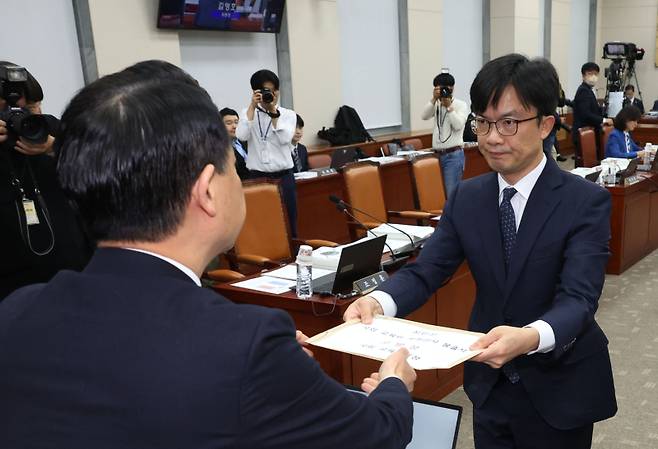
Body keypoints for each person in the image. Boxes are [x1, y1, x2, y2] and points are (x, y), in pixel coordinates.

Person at [0, 61, 416, 448]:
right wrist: (393, 384)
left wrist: (263, 361)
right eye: (232, 169)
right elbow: (377, 433)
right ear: (207, 190)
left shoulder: (16, 313)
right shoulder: (247, 345)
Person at [345, 54, 617, 449]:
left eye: (508, 123)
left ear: (544, 124)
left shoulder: (585, 201)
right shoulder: (468, 197)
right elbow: (428, 271)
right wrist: (379, 301)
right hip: (489, 387)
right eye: (483, 122)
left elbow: (579, 299)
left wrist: (528, 337)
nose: (491, 137)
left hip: (559, 387)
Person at [0, 62, 90, 300]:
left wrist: (54, 148)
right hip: (13, 298)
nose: (22, 118)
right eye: (9, 112)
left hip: (75, 281)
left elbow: (107, 172)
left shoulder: (52, 132)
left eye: (32, 107)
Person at [236, 69, 299, 236]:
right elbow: (241, 135)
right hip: (258, 178)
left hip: (284, 177)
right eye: (264, 91)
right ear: (255, 92)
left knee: (289, 223)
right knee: (262, 224)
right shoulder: (247, 113)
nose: (269, 94)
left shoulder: (288, 115)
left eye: (272, 90)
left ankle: (291, 258)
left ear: (277, 91)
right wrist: (251, 106)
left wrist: (273, 114)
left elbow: (285, 139)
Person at [421, 72, 469, 199]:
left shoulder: (461, 105)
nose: (442, 91)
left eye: (444, 88)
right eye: (438, 88)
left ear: (451, 88)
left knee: (451, 194)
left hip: (453, 156)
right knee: (437, 194)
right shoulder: (436, 104)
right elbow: (424, 116)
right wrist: (433, 99)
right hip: (436, 155)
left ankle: (454, 219)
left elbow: (458, 125)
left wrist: (449, 107)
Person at [572, 62, 613, 167]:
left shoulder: (588, 90)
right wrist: (603, 120)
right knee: (584, 164)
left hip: (589, 132)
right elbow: (585, 114)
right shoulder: (583, 91)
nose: (593, 76)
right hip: (584, 133)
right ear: (583, 75)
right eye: (590, 73)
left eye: (596, 74)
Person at [220, 107, 250, 180]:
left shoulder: (246, 141)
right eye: (229, 123)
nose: (234, 126)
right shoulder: (220, 148)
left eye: (236, 122)